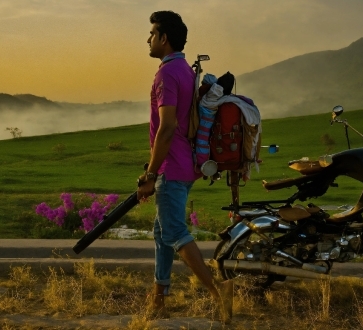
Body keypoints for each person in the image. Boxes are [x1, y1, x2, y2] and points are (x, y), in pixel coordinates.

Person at [136, 10, 233, 322]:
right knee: (161, 232)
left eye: (152, 34)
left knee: (174, 230)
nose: (148, 39)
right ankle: (159, 300)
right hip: (183, 163)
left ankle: (219, 292)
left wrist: (151, 174)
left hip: (172, 167)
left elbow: (166, 128)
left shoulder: (166, 74)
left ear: (164, 38)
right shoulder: (185, 70)